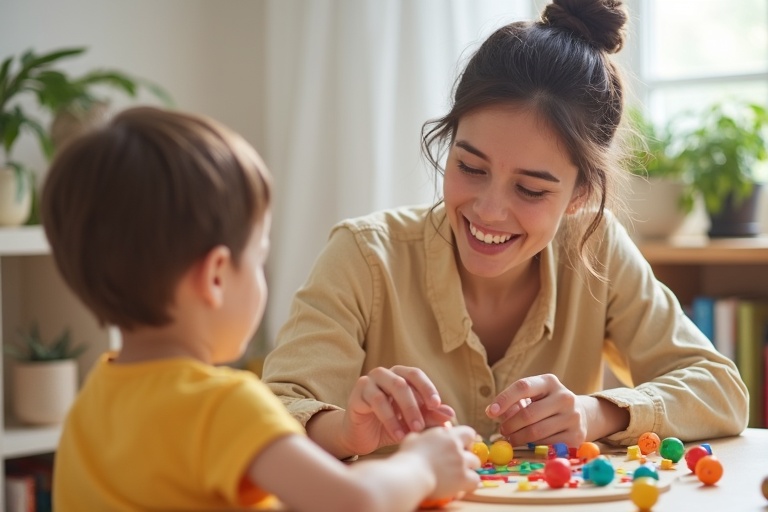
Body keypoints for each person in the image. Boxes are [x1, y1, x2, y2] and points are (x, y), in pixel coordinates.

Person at [262, 0, 749, 462]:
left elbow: (720, 391)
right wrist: (346, 429)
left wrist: (596, 412)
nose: (490, 211)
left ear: (579, 196)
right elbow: (271, 414)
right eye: (470, 167)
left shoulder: (595, 249)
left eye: (532, 191)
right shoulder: (363, 256)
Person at [43, 106, 480, 511]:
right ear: (215, 276)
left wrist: (347, 435)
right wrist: (420, 466)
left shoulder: (88, 408)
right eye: (258, 258)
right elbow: (355, 503)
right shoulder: (222, 406)